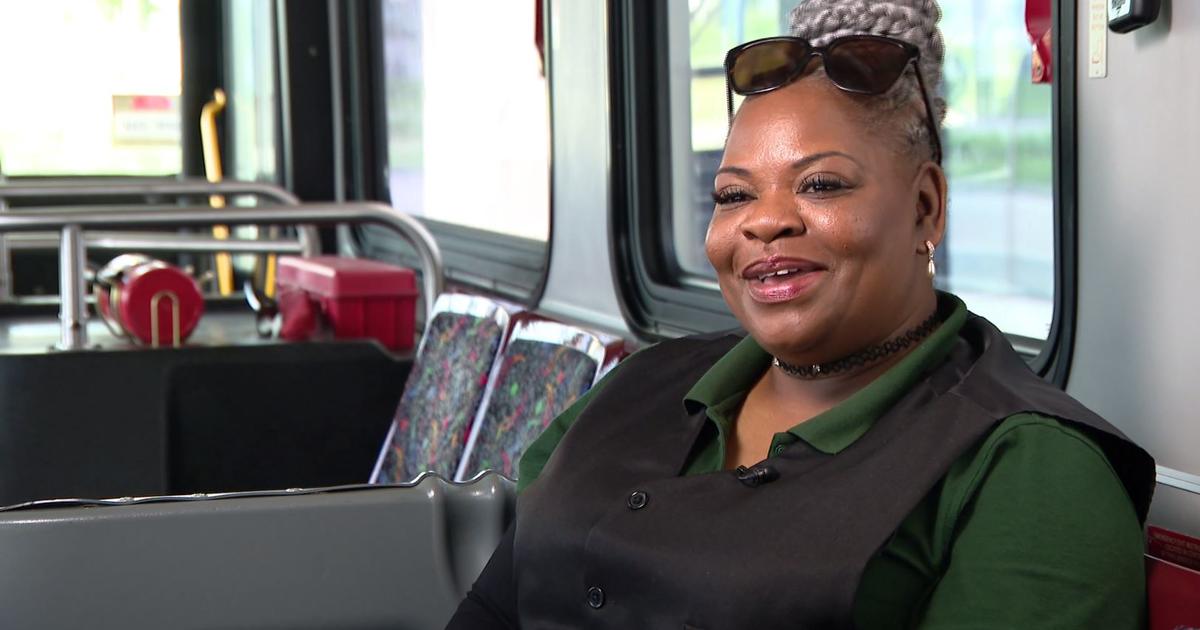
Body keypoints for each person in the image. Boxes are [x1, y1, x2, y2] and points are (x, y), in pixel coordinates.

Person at [447, 1, 1154, 628]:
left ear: (925, 207)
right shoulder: (636, 387)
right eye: (733, 195)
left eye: (820, 184)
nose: (765, 224)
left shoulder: (1034, 471)